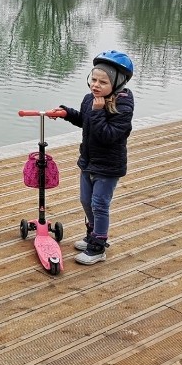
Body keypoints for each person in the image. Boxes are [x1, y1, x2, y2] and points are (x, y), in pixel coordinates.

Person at [58, 50, 134, 265]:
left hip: (109, 166)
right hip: (89, 161)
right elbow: (85, 120)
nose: (96, 85)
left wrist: (99, 111)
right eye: (93, 79)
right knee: (85, 200)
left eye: (103, 82)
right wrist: (67, 113)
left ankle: (98, 247)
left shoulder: (123, 105)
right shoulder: (90, 99)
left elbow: (108, 135)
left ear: (118, 83)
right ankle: (93, 234)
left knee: (99, 204)